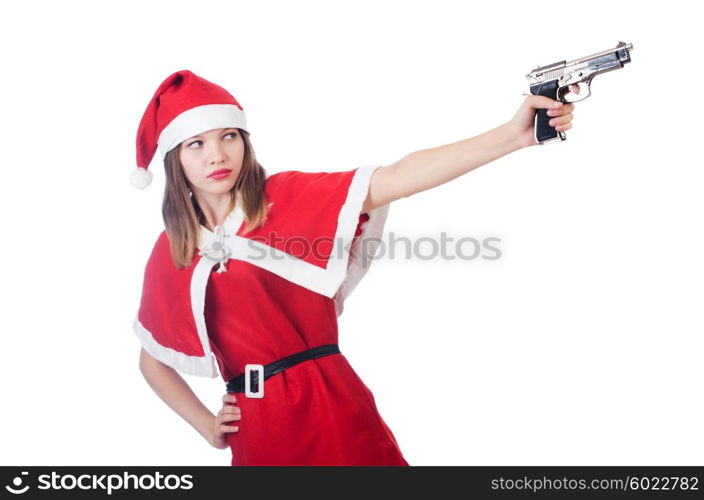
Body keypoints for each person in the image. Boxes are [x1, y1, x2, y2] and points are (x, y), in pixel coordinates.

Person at [131, 69, 577, 466]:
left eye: (229, 136)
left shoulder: (282, 198)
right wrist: (209, 427)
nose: (217, 155)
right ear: (175, 157)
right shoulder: (175, 251)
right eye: (197, 143)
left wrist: (513, 136)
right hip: (257, 427)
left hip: (329, 402)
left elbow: (397, 177)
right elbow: (153, 361)